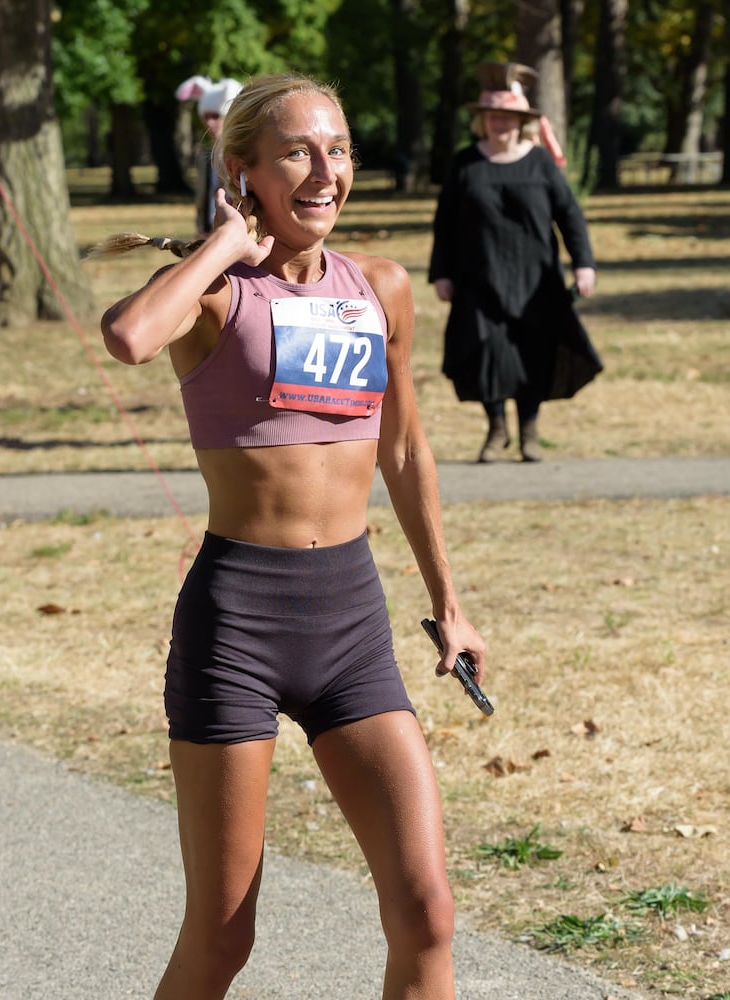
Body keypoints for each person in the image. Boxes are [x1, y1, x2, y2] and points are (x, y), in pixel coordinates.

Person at [99, 73, 486, 1000]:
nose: (325, 171)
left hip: (350, 621)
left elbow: (404, 450)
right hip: (238, 625)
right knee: (223, 936)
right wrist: (223, 243)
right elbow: (128, 335)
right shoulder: (214, 296)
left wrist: (450, 604)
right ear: (246, 173)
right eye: (297, 153)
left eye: (339, 149)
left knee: (428, 912)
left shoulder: (381, 288)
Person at [428, 62, 600, 463]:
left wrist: (584, 263)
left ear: (520, 122)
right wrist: (442, 273)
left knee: (531, 354)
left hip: (535, 278)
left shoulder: (540, 163)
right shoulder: (465, 164)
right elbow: (445, 222)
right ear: (482, 121)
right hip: (478, 276)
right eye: (491, 118)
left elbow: (569, 215)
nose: (498, 125)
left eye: (506, 119)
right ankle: (495, 430)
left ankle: (529, 431)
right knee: (487, 353)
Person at [175, 76, 244, 237]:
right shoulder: (206, 153)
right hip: (210, 229)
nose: (209, 123)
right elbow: (204, 193)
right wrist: (202, 223)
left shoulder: (241, 154)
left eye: (215, 116)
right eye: (206, 117)